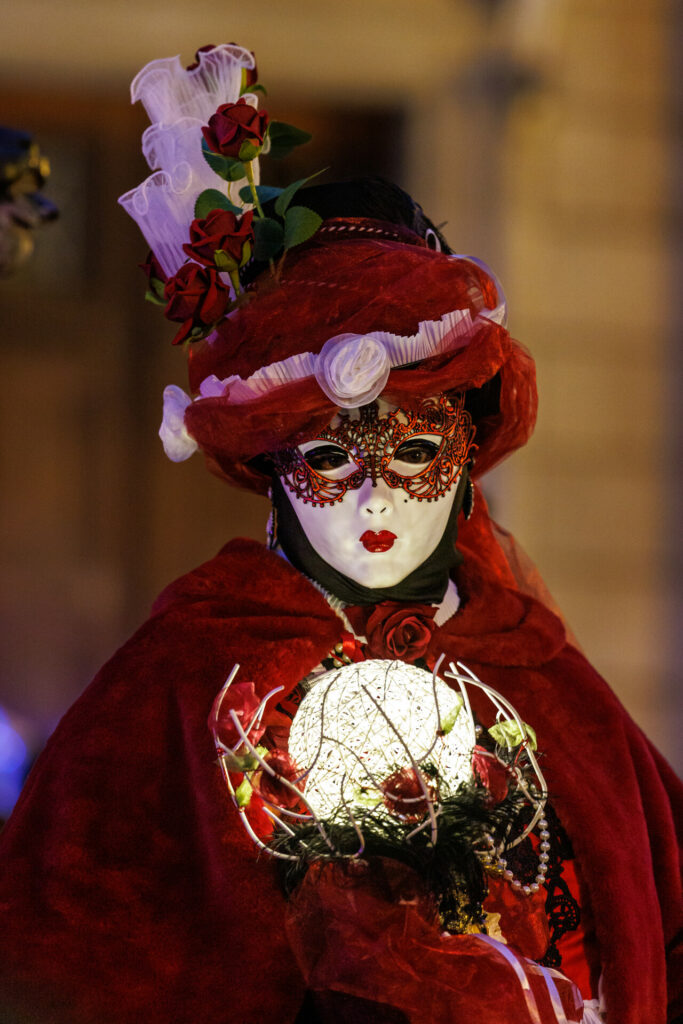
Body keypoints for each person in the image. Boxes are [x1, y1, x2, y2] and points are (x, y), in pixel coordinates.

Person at [0, 44, 680, 1024]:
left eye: (411, 449)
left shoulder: (550, 685)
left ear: (468, 445)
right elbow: (60, 965)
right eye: (326, 457)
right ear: (273, 464)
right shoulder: (181, 682)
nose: (372, 497)